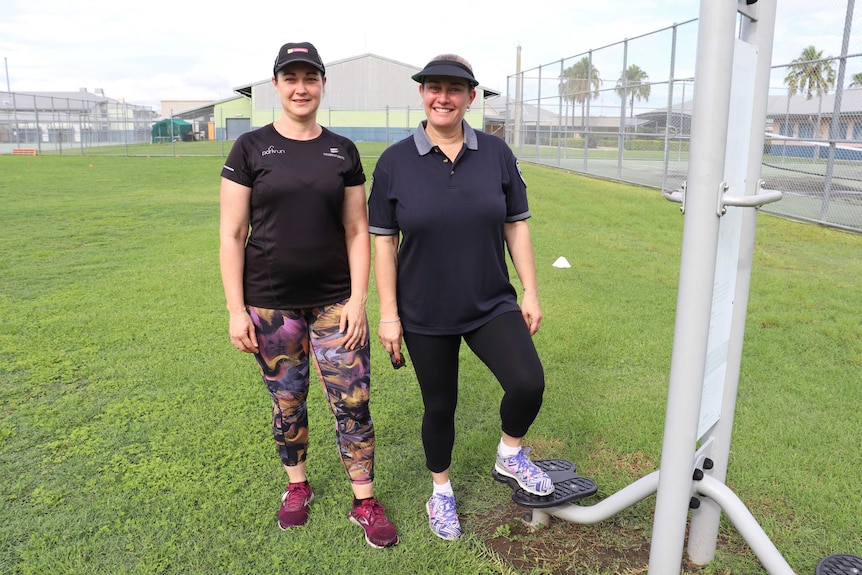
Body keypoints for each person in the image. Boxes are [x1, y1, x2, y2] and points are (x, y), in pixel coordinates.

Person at [219, 41, 398, 549]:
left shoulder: (341, 150)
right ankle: (297, 488)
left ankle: (364, 500)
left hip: (334, 302)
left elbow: (358, 229)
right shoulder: (250, 148)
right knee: (287, 401)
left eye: (310, 78)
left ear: (322, 84)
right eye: (290, 78)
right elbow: (232, 234)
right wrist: (236, 310)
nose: (301, 88)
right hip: (271, 305)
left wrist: (358, 299)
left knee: (353, 402)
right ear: (276, 85)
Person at [368, 54, 552, 542]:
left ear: (471, 97)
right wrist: (389, 315)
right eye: (433, 87)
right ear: (422, 94)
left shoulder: (495, 153)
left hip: (490, 302)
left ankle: (510, 455)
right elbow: (383, 242)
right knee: (440, 405)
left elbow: (516, 223)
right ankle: (441, 492)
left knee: (527, 382)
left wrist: (530, 290)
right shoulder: (394, 162)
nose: (442, 97)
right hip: (424, 309)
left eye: (454, 89)